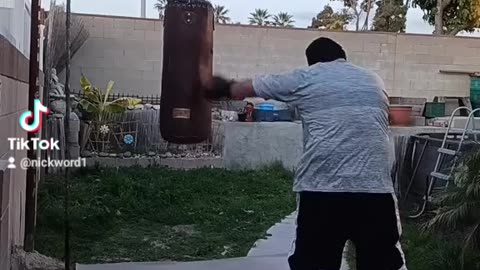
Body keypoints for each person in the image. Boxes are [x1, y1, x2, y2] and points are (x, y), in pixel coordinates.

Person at [205, 37, 406, 270]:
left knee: (314, 264)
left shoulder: (307, 78)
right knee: (380, 264)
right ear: (342, 57)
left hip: (323, 191)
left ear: (314, 63)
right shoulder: (374, 80)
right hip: (375, 191)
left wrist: (218, 87)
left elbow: (243, 89)